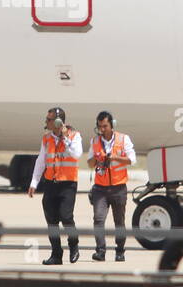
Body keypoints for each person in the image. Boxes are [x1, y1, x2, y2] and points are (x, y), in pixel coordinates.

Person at [27, 107, 82, 264]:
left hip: (68, 184)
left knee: (66, 217)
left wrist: (65, 138)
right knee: (51, 220)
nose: (46, 122)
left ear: (58, 122)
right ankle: (56, 254)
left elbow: (76, 154)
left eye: (49, 119)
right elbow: (41, 161)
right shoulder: (46, 139)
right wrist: (34, 182)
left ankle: (74, 245)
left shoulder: (74, 136)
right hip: (51, 183)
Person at [87, 111, 135, 261]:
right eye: (100, 126)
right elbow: (89, 163)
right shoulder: (94, 142)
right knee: (98, 219)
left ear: (112, 125)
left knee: (119, 221)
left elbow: (131, 160)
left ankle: (120, 251)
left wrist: (114, 157)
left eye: (105, 126)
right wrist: (97, 159)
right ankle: (100, 251)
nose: (102, 129)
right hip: (100, 188)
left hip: (118, 187)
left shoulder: (123, 139)